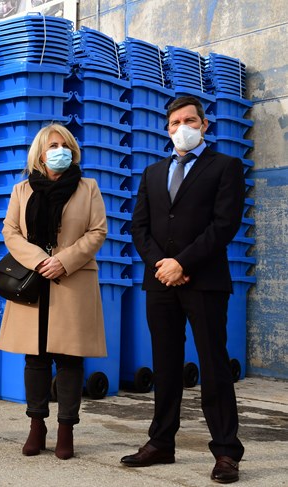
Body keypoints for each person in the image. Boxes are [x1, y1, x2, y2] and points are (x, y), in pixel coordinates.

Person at [122, 96, 245, 484]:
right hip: (160, 282)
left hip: (204, 281)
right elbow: (138, 227)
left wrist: (183, 264)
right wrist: (162, 265)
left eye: (190, 120)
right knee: (166, 365)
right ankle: (161, 442)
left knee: (213, 364)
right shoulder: (153, 173)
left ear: (204, 125)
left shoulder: (225, 167)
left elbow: (224, 225)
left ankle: (226, 451)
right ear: (167, 128)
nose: (182, 127)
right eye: (175, 122)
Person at [0, 123, 107, 460]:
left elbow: (97, 231)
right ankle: (36, 425)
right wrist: (42, 259)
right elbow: (11, 232)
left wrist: (64, 260)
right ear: (40, 155)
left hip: (71, 281)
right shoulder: (21, 190)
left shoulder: (88, 188)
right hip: (33, 281)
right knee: (36, 357)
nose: (59, 150)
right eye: (51, 145)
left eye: (64, 144)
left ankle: (66, 428)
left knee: (70, 358)